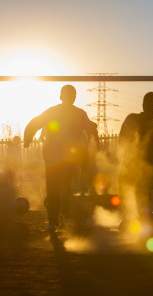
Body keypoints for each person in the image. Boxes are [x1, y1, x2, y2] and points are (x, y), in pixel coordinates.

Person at [24, 85, 98, 232]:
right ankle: (60, 210)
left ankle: (53, 221)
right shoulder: (79, 114)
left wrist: (27, 138)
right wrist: (95, 145)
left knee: (53, 187)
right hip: (69, 157)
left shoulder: (54, 112)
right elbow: (91, 129)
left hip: (53, 157)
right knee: (64, 185)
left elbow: (35, 123)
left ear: (61, 96)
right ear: (73, 97)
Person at [118, 92, 153, 218]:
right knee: (139, 197)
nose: (147, 105)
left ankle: (134, 221)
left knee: (136, 197)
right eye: (146, 102)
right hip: (138, 167)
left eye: (150, 103)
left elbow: (121, 142)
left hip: (137, 167)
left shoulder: (133, 119)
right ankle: (135, 221)